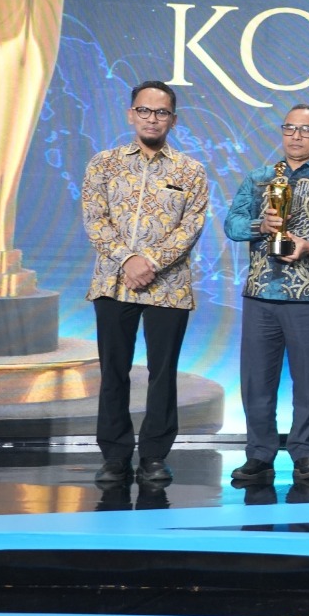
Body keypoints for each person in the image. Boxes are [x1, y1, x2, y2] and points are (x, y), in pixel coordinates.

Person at [224, 105, 309, 487]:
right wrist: (260, 224)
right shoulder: (258, 179)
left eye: (307, 130)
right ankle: (259, 455)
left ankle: (305, 454)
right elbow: (232, 224)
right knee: (256, 381)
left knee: (308, 381)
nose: (297, 136)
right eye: (290, 128)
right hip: (261, 293)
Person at [82, 80, 209, 486]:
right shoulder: (104, 164)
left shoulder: (190, 171)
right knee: (113, 371)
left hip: (168, 286)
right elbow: (95, 220)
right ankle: (115, 456)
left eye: (161, 112)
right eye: (144, 110)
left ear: (173, 119)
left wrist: (150, 262)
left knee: (162, 372)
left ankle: (154, 455)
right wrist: (128, 259)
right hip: (113, 281)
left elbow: (191, 227)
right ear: (130, 114)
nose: (152, 118)